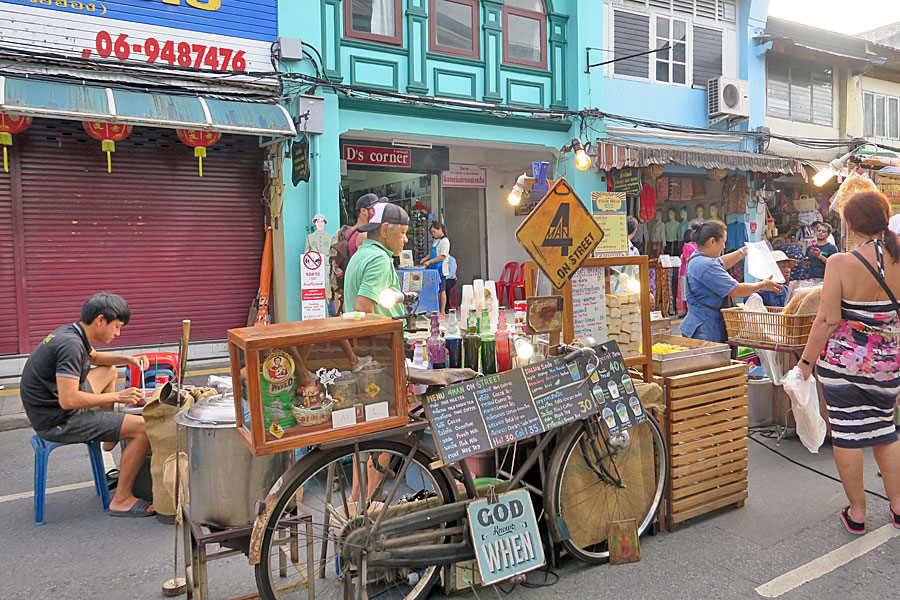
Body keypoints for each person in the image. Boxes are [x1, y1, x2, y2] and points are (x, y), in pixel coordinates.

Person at [797, 191, 900, 534]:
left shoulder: (840, 262)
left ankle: (857, 512)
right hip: (888, 365)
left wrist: (805, 364)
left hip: (846, 366)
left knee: (848, 435)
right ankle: (898, 506)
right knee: (886, 431)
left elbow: (827, 319)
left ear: (852, 225)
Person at [20, 293, 155, 517]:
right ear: (101, 320)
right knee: (143, 428)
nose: (118, 333)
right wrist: (118, 397)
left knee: (109, 371)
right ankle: (121, 500)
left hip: (54, 407)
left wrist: (128, 359)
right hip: (59, 420)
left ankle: (110, 435)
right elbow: (69, 400)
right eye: (117, 327)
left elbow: (94, 358)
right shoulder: (71, 345)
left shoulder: (72, 333)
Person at [343, 203, 410, 501]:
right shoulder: (380, 261)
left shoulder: (361, 255)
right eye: (403, 233)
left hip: (363, 357)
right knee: (389, 434)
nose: (405, 240)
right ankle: (368, 502)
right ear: (385, 230)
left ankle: (357, 499)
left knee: (369, 433)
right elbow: (363, 309)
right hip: (380, 356)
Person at [679, 221, 782, 342]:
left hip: (702, 324)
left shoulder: (698, 258)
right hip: (705, 328)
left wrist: (745, 251)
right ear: (712, 241)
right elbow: (736, 290)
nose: (724, 247)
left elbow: (721, 262)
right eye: (723, 242)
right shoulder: (706, 265)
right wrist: (763, 285)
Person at [420, 221, 450, 315]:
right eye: (432, 232)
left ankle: (442, 312)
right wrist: (425, 259)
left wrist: (430, 262)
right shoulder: (436, 240)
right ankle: (435, 310)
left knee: (442, 290)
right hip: (433, 268)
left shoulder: (445, 241)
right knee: (435, 290)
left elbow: (442, 256)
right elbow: (431, 253)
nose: (433, 234)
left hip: (441, 269)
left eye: (434, 231)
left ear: (440, 229)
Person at [347, 193, 379, 258]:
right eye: (374, 208)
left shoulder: (348, 231)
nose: (377, 212)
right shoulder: (364, 235)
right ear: (363, 211)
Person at [677, 229, 698, 315]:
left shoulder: (686, 247)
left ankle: (688, 312)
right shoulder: (696, 246)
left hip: (685, 271)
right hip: (695, 271)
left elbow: (687, 259)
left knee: (685, 292)